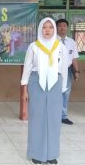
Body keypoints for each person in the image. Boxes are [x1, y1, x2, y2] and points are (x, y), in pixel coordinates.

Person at [21, 17, 68, 165]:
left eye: (51, 27)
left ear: (54, 30)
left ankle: (51, 154)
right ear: (40, 29)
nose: (47, 30)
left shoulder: (60, 47)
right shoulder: (34, 46)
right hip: (37, 83)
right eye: (44, 27)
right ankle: (37, 154)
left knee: (54, 120)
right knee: (37, 119)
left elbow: (64, 69)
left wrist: (63, 89)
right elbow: (27, 68)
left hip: (55, 83)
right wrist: (24, 89)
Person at [56, 19, 80, 125]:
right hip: (55, 70)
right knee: (54, 92)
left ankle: (63, 116)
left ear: (67, 28)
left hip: (68, 69)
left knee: (65, 93)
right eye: (60, 26)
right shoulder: (52, 41)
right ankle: (53, 115)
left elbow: (74, 58)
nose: (62, 28)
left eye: (64, 26)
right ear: (56, 28)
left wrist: (77, 71)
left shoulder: (71, 42)